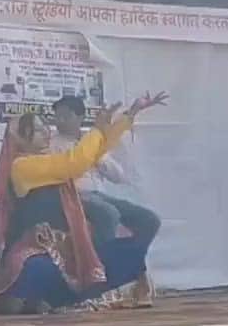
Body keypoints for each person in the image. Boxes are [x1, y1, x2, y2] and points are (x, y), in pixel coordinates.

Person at [0, 92, 168, 315]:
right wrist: (96, 130)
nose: (47, 131)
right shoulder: (22, 167)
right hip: (38, 247)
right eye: (38, 130)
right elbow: (73, 164)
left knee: (135, 246)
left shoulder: (45, 158)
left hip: (65, 244)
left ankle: (89, 286)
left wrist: (126, 117)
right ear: (22, 139)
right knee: (41, 270)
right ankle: (76, 291)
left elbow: (94, 153)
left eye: (45, 126)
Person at [50, 96, 162, 251]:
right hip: (74, 197)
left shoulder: (91, 139)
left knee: (149, 219)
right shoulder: (51, 143)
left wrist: (98, 158)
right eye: (57, 117)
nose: (59, 121)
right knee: (109, 214)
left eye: (65, 116)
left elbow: (118, 176)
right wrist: (87, 158)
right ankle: (100, 267)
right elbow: (63, 173)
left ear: (80, 117)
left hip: (101, 196)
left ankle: (130, 262)